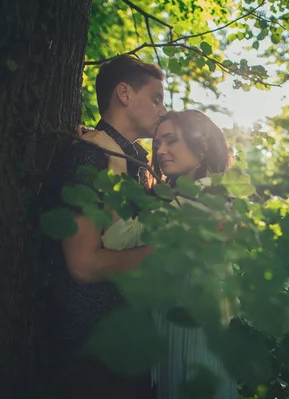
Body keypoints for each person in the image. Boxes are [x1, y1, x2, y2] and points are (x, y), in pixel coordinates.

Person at [81, 110, 238, 399]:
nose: (161, 150)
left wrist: (115, 158)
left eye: (171, 141)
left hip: (193, 339)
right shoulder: (179, 199)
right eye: (157, 144)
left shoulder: (204, 199)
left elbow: (119, 241)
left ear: (202, 147)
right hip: (177, 334)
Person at [40, 55, 166, 399]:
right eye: (156, 99)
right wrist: (161, 255)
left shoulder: (136, 163)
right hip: (94, 347)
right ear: (124, 93)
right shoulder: (88, 156)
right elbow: (83, 265)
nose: (163, 110)